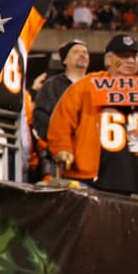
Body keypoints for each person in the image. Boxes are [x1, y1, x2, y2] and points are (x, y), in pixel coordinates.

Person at [47, 34, 138, 196]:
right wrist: (62, 148)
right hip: (91, 179)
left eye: (134, 56)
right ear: (108, 60)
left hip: (137, 179)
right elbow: (62, 122)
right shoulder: (86, 86)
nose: (130, 61)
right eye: (123, 56)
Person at [32, 39, 89, 180]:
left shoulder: (95, 85)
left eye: (85, 52)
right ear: (65, 60)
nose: (82, 54)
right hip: (59, 156)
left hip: (89, 154)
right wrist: (58, 142)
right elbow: (40, 117)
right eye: (76, 52)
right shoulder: (52, 85)